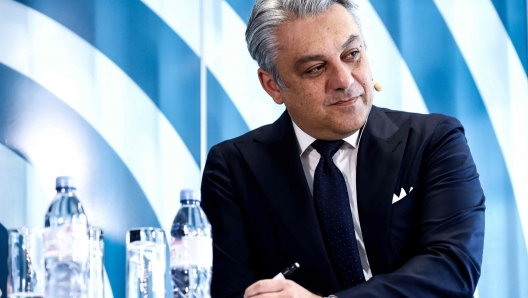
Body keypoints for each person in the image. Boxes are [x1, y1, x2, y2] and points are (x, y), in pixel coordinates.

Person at [200, 0, 485, 297]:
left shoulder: (434, 140)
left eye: (352, 54)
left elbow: (452, 268)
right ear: (272, 85)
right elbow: (233, 290)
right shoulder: (234, 167)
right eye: (316, 68)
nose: (344, 80)